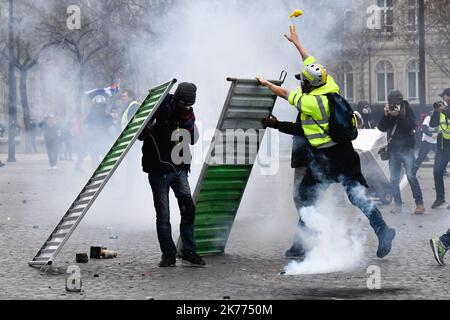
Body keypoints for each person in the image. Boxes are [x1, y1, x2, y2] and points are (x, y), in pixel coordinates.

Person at [257, 25, 395, 260]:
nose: (301, 83)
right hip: (343, 156)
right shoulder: (329, 85)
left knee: (308, 198)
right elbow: (311, 61)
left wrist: (266, 84)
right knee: (355, 197)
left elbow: (285, 93)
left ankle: (303, 245)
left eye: (303, 81)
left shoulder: (312, 102)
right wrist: (297, 43)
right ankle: (381, 230)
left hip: (326, 160)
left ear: (309, 85)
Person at [138, 82, 205, 268]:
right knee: (163, 215)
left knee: (188, 210)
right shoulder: (158, 105)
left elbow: (194, 139)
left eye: (189, 106)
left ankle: (189, 251)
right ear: (175, 98)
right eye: (183, 105)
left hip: (180, 169)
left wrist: (188, 118)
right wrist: (150, 125)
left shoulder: (187, 112)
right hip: (159, 171)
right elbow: (140, 135)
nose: (185, 108)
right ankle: (168, 255)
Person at [377, 90, 425, 214]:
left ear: (400, 101)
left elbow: (410, 126)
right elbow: (381, 127)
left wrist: (399, 115)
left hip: (407, 149)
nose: (394, 105)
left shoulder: (407, 109)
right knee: (393, 179)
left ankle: (420, 204)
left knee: (411, 176)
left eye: (395, 103)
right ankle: (398, 205)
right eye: (391, 102)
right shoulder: (389, 111)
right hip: (393, 150)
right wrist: (386, 115)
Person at [429, 88, 450, 209]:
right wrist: (436, 111)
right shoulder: (442, 110)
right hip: (442, 146)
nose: (443, 99)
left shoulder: (446, 110)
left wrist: (444, 110)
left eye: (445, 96)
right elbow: (432, 124)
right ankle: (440, 198)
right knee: (437, 171)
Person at [414, 105, 439, 174]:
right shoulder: (428, 118)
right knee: (421, 157)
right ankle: (413, 171)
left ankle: (443, 172)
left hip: (435, 142)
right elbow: (424, 128)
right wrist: (431, 134)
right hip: (426, 141)